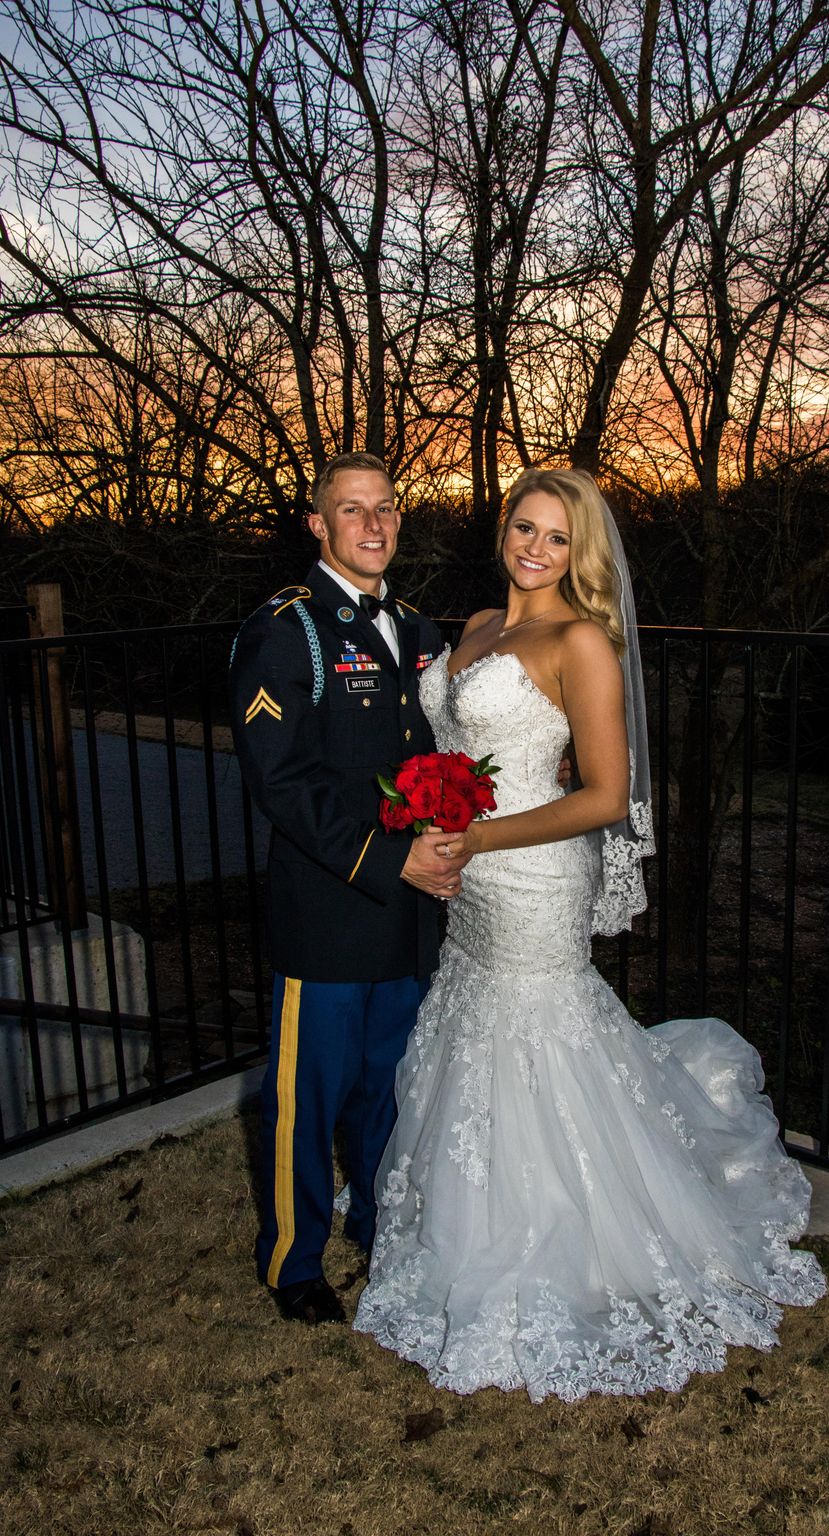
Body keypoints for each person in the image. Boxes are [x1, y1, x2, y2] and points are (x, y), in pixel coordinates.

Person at [353, 467, 826, 1400]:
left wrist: (481, 833)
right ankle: (467, 1217)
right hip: (470, 880)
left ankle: (568, 1235)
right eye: (525, 527)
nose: (536, 547)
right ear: (505, 530)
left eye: (558, 537)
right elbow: (455, 742)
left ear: (582, 553)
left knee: (537, 1031)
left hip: (531, 872)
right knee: (473, 1023)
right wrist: (435, 804)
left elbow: (605, 794)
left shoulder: (583, 641)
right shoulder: (480, 628)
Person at [229, 451, 469, 1325]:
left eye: (386, 509)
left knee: (389, 1089)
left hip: (410, 918)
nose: (373, 525)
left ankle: (380, 1228)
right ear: (318, 525)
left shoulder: (419, 626)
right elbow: (283, 783)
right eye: (352, 510)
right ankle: (293, 1262)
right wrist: (385, 857)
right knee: (308, 1098)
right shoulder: (285, 633)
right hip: (330, 914)